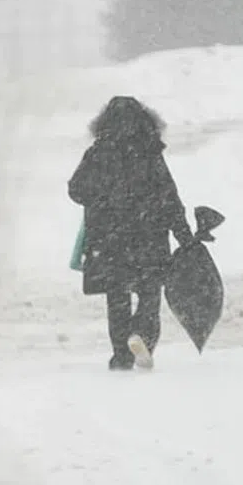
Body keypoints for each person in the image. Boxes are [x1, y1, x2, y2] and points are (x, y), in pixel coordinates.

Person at [68, 95, 194, 371]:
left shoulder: (98, 152)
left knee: (117, 298)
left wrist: (102, 198)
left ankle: (121, 355)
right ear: (144, 120)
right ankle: (142, 336)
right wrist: (183, 234)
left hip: (110, 239)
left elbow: (76, 189)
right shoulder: (150, 152)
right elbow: (169, 196)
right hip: (149, 236)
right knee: (150, 294)